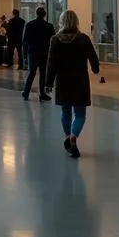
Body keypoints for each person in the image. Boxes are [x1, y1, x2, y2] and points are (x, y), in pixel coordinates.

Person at [44, 10, 100, 159]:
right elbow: (93, 57)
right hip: (80, 79)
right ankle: (74, 136)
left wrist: (48, 82)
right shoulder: (83, 39)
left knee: (66, 110)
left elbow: (51, 63)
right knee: (80, 113)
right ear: (76, 21)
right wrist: (95, 69)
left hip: (63, 80)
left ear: (61, 21)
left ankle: (68, 136)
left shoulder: (55, 40)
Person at [21, 6, 55, 101]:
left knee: (32, 72)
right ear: (45, 15)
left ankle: (26, 91)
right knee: (43, 74)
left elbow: (25, 40)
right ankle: (42, 93)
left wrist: (24, 54)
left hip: (33, 52)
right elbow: (53, 41)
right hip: (44, 52)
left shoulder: (30, 24)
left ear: (36, 13)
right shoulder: (49, 26)